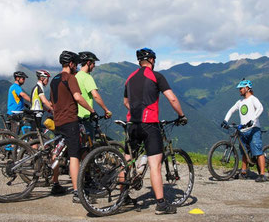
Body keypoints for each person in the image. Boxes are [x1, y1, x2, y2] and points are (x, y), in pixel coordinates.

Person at [123, 48, 188, 215]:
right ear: (151, 60)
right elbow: (172, 98)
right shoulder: (156, 76)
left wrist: (135, 110)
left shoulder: (129, 78)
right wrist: (181, 115)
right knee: (155, 164)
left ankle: (122, 198)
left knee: (127, 161)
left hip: (132, 124)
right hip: (149, 125)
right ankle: (161, 204)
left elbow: (125, 102)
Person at [49, 50, 97, 202]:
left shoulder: (54, 79)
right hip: (70, 121)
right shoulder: (70, 78)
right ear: (70, 64)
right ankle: (77, 193)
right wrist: (91, 110)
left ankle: (55, 184)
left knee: (56, 152)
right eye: (75, 64)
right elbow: (78, 97)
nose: (76, 67)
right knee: (74, 156)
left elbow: (52, 102)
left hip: (58, 121)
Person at [221, 79, 266, 182]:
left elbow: (260, 108)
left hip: (254, 129)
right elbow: (231, 110)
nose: (239, 90)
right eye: (239, 88)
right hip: (243, 130)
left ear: (247, 88)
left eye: (241, 88)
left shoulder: (253, 99)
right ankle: (244, 172)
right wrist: (225, 120)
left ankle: (262, 175)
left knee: (258, 151)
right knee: (244, 152)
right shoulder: (240, 102)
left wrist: (253, 120)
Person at [76, 51, 112, 139]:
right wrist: (106, 110)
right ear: (88, 63)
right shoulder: (87, 77)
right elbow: (95, 95)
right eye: (93, 63)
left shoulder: (76, 76)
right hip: (86, 116)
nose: (94, 66)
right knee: (90, 144)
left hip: (76, 116)